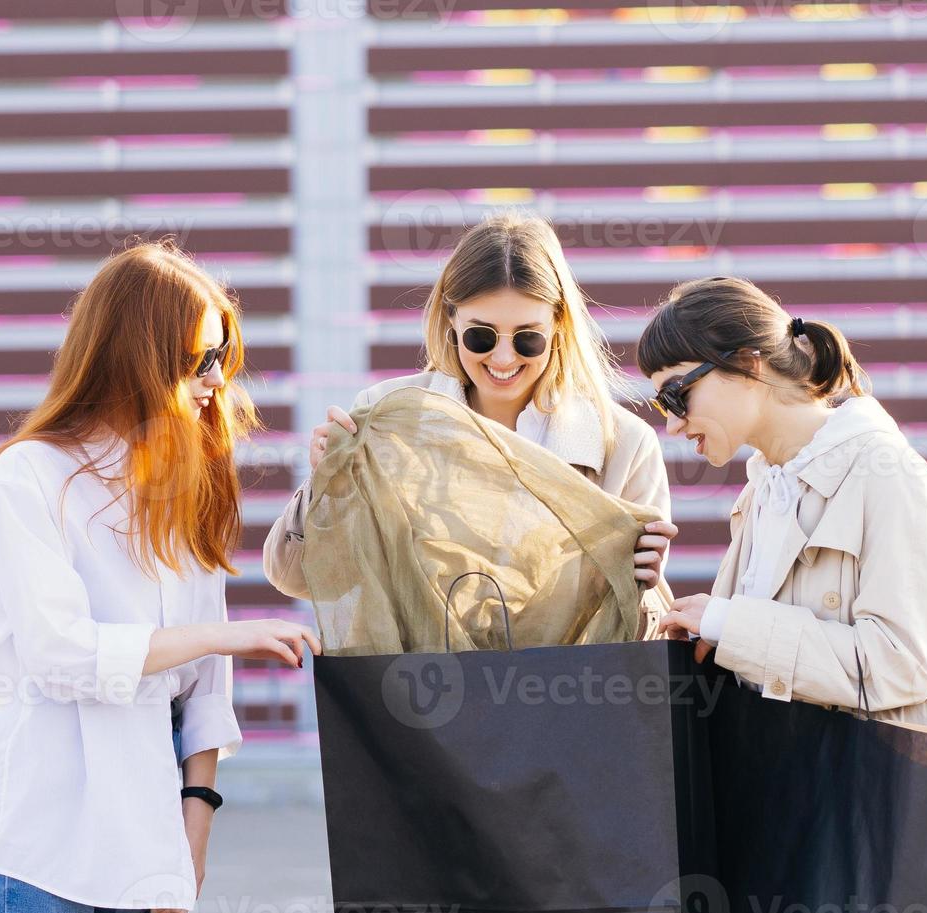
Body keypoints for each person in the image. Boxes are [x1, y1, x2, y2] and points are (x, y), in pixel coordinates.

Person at [642, 275, 927, 913]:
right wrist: (685, 617)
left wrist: (733, 623)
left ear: (746, 363)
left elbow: (897, 664)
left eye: (678, 394)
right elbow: (762, 647)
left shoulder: (888, 476)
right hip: (834, 821)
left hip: (922, 821)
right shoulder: (765, 488)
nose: (672, 422)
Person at [0, 242, 322, 913]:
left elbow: (205, 695)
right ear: (134, 357)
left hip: (145, 844)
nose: (217, 381)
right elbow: (61, 655)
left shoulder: (182, 492)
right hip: (38, 845)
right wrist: (223, 634)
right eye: (197, 361)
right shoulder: (30, 477)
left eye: (221, 356)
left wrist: (195, 826)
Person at [264, 211, 677, 634]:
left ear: (558, 326)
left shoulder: (623, 445)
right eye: (480, 335)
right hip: (416, 692)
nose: (502, 358)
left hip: (563, 692)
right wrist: (324, 486)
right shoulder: (389, 412)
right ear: (450, 320)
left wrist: (641, 584)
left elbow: (643, 637)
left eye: (527, 338)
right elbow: (296, 576)